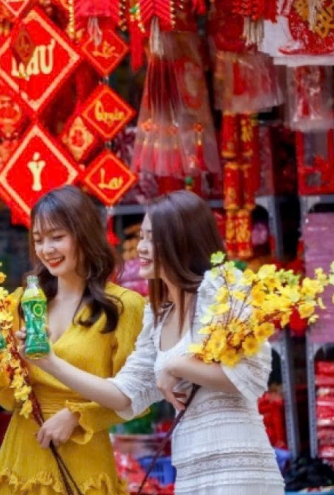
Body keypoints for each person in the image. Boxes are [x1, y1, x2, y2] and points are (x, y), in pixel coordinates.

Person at [25, 191, 284, 495]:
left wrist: (175, 365)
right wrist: (50, 362)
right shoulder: (159, 314)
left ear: (182, 241)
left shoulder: (222, 289)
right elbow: (124, 394)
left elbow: (251, 377)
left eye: (152, 238)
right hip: (191, 468)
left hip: (239, 467)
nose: (141, 248)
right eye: (142, 237)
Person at [0, 185, 146, 494]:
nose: (46, 249)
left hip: (83, 459)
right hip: (22, 456)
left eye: (57, 237)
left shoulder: (123, 306)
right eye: (38, 240)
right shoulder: (22, 302)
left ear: (84, 234)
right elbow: (12, 399)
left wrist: (78, 416)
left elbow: (137, 397)